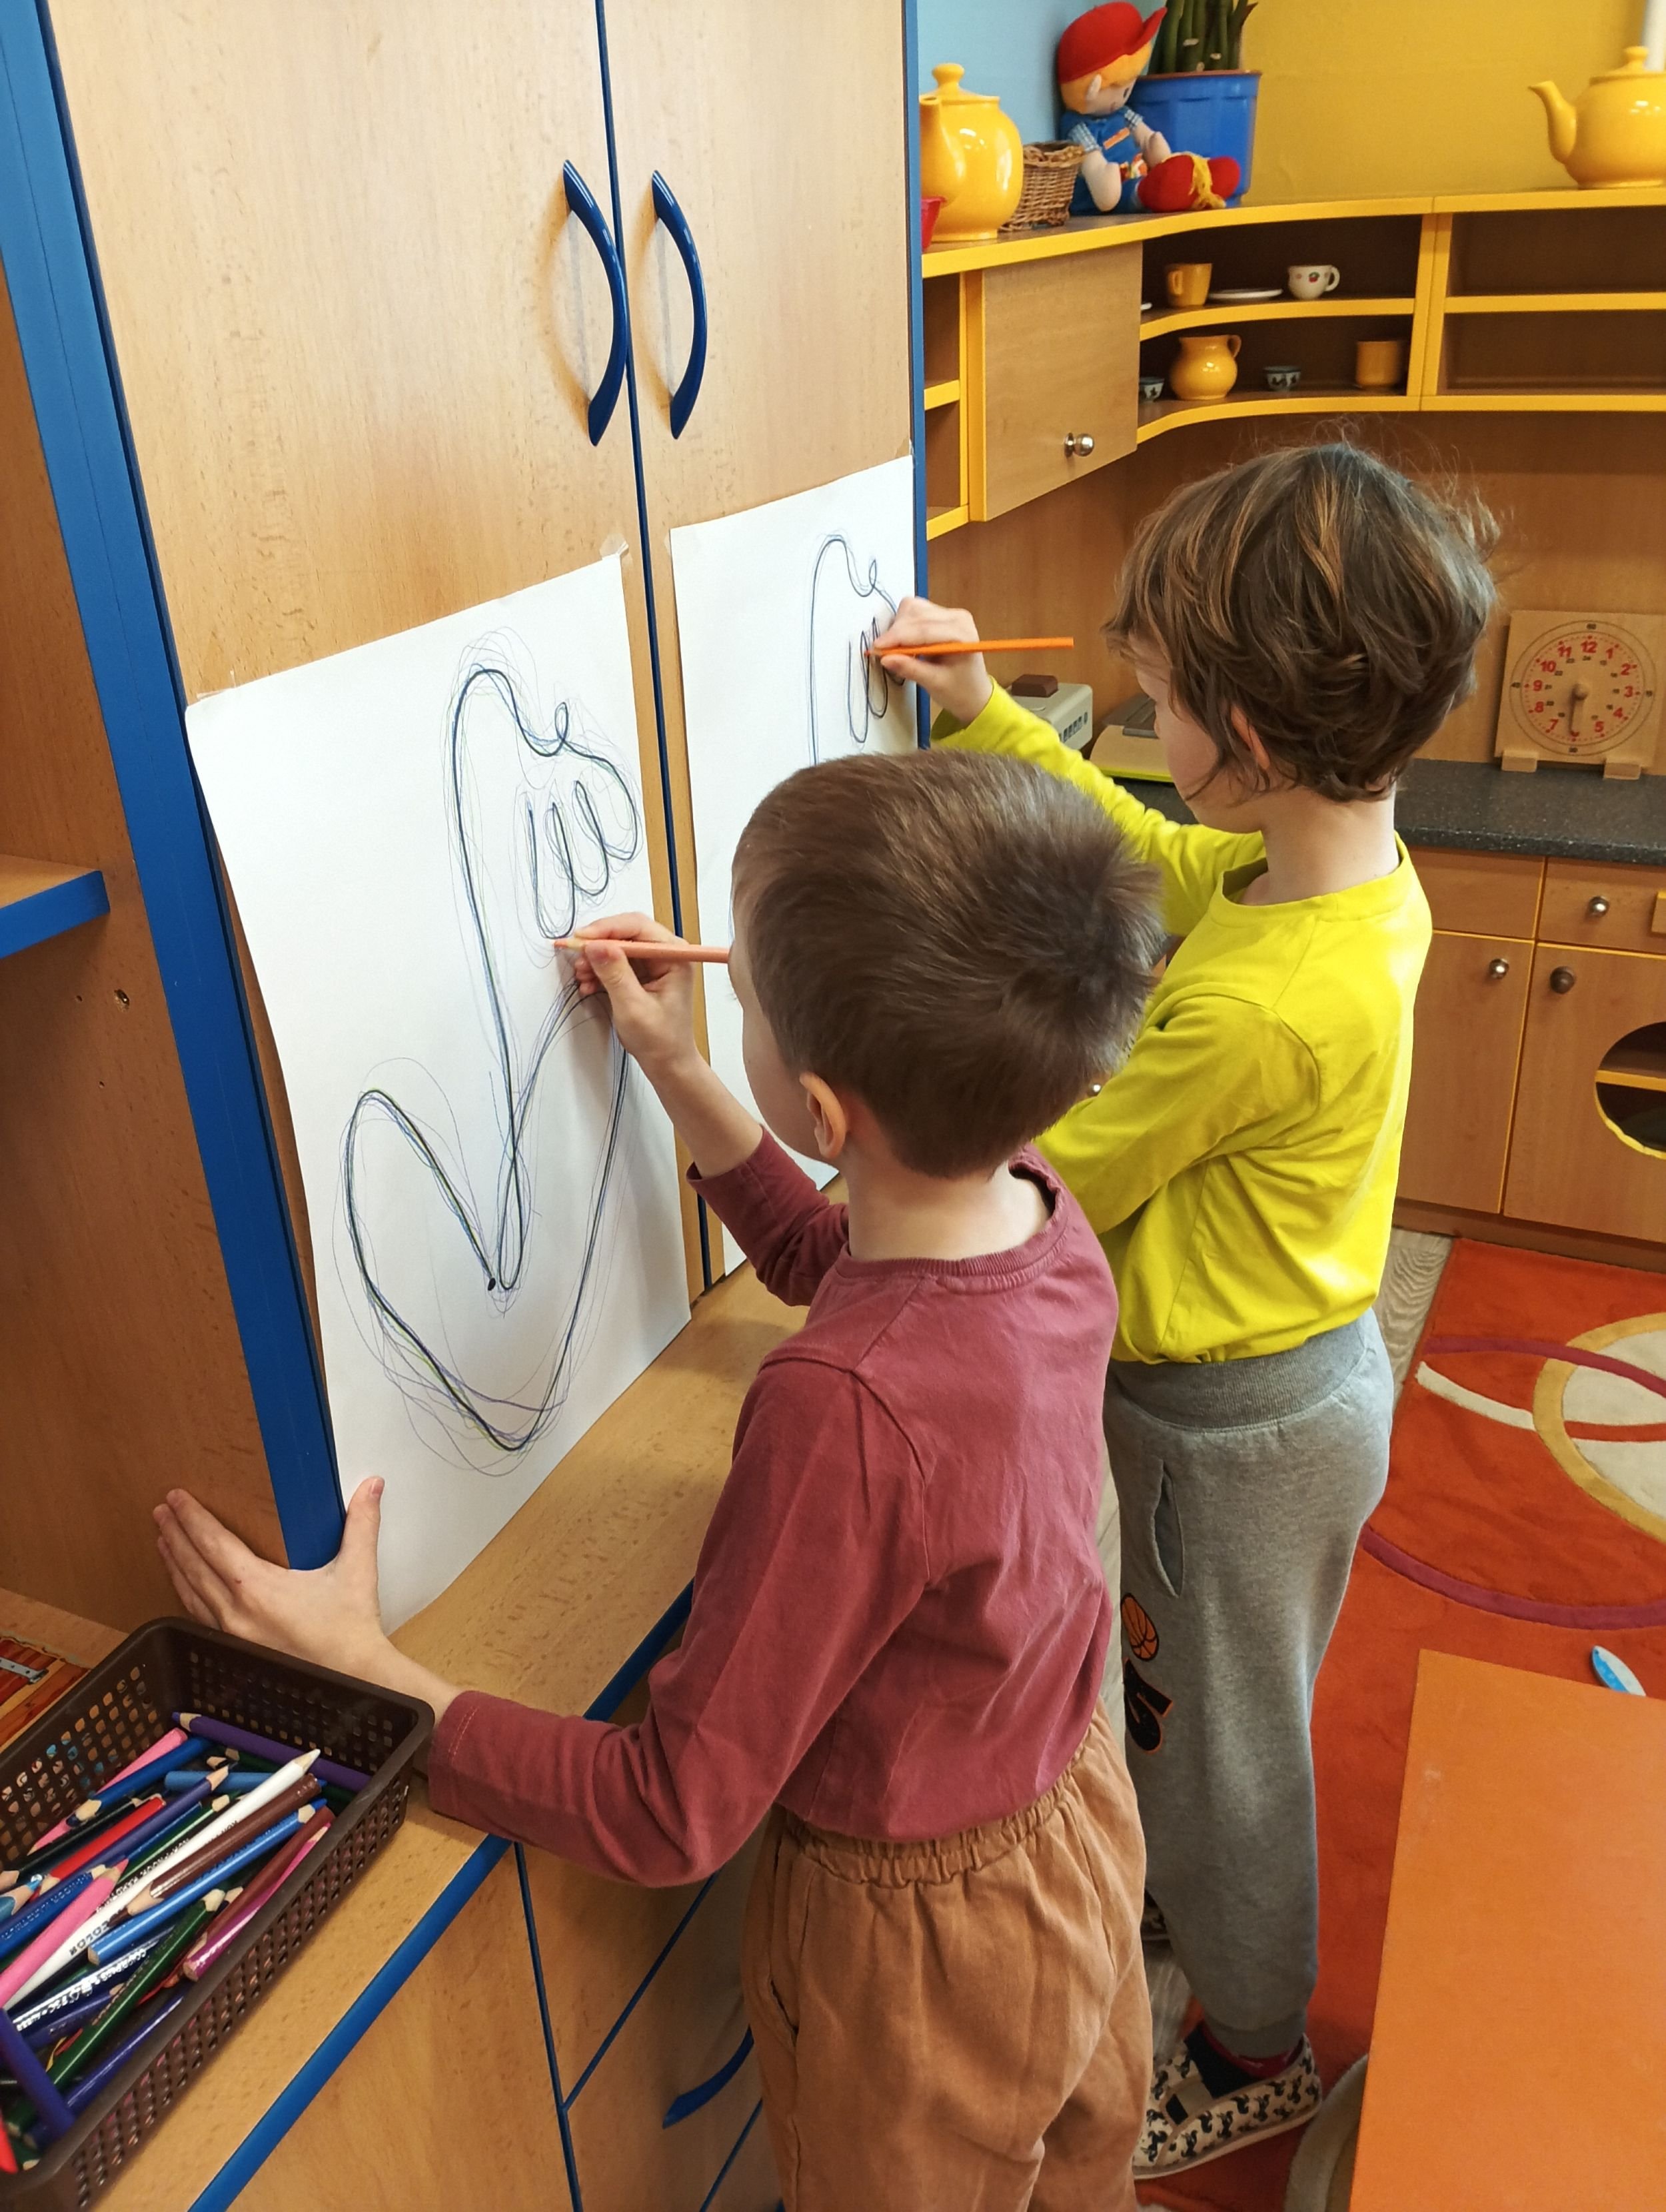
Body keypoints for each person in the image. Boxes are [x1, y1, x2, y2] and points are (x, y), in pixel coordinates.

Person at [156, 746, 1170, 2211]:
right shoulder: (1038, 1217)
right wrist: (683, 1067)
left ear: (825, 1110)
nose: (719, 991)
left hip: (921, 1956)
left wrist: (376, 1679)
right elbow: (843, 1264)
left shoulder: (841, 1412)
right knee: (1076, 2173)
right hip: (1068, 1831)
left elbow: (671, 1807)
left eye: (738, 992)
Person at [874, 442, 1497, 2177]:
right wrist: (986, 718)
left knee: (1223, 1751)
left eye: (1154, 702)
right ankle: (1207, 1919)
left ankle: (1251, 2040)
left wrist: (854, 1148)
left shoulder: (1257, 1007)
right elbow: (1147, 846)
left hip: (1230, 1436)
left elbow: (1058, 1170)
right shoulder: (1329, 876)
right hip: (1281, 1397)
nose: (1144, 730)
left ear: (1252, 736)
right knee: (1198, 1712)